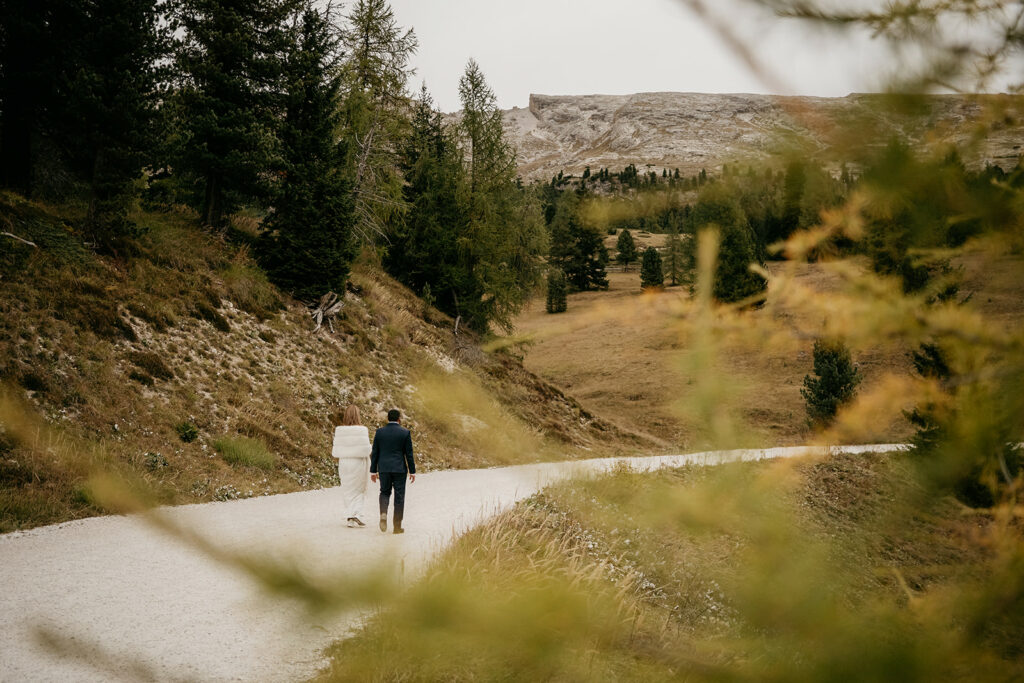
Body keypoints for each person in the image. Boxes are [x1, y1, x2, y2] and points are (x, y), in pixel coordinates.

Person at [370, 408, 416, 534]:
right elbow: (409, 454)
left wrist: (373, 471)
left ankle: (383, 513)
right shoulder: (405, 432)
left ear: (388, 419)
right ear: (399, 419)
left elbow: (375, 453)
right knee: (399, 497)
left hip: (384, 468)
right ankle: (397, 527)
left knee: (384, 492)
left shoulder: (380, 432)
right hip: (399, 469)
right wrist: (412, 471)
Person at [332, 405, 371, 528]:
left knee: (347, 490)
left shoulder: (339, 430)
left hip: (344, 463)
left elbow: (335, 451)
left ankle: (350, 518)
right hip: (358, 462)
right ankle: (356, 514)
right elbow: (366, 450)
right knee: (359, 490)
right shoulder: (362, 430)